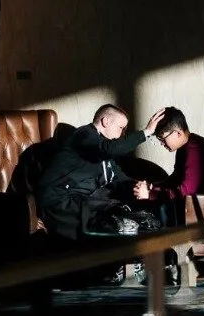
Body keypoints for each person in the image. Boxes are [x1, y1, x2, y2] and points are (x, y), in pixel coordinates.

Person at [37, 104, 165, 242]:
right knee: (109, 223)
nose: (122, 135)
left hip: (80, 199)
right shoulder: (83, 134)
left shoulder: (103, 149)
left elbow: (116, 177)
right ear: (106, 121)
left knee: (130, 214)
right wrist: (146, 132)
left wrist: (138, 186)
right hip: (58, 200)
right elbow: (110, 149)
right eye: (121, 128)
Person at [133, 107, 204, 203]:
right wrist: (152, 186)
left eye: (162, 138)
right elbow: (175, 179)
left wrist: (150, 194)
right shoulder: (186, 146)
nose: (161, 143)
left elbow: (184, 192)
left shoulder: (195, 149)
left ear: (178, 133)